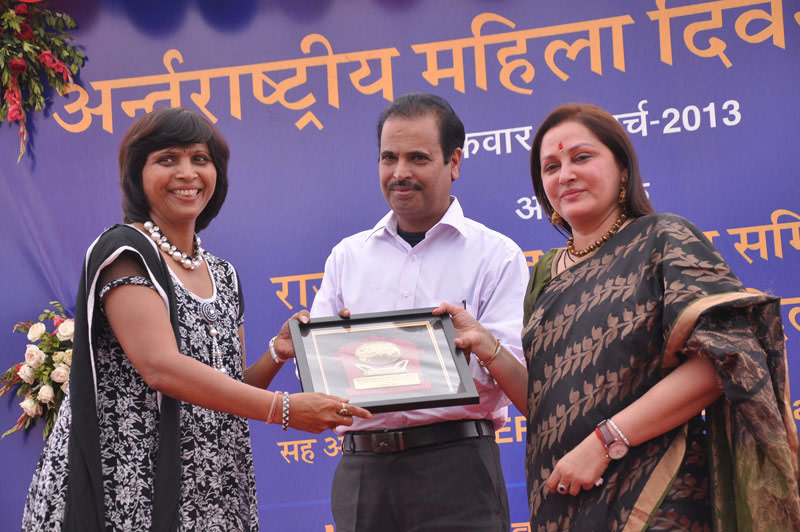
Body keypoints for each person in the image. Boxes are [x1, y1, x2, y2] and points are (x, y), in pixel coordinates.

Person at [435, 103, 800, 530]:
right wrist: (488, 346)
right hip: (564, 501)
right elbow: (547, 406)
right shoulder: (545, 275)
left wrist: (605, 441)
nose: (565, 174)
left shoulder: (664, 239)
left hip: (657, 496)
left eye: (581, 157)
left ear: (623, 168)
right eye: (551, 167)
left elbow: (724, 361)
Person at [21, 107, 369, 532]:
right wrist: (284, 409)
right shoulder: (125, 251)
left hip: (213, 490)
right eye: (167, 159)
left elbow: (230, 390)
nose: (187, 173)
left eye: (200, 159)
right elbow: (161, 367)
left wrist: (278, 353)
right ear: (137, 173)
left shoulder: (222, 273)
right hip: (132, 488)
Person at [283, 92, 530, 532]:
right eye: (389, 158)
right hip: (362, 473)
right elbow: (314, 376)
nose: (400, 173)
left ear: (454, 162)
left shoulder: (497, 256)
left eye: (418, 158)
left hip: (457, 469)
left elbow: (517, 375)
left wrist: (479, 347)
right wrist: (331, 356)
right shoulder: (348, 257)